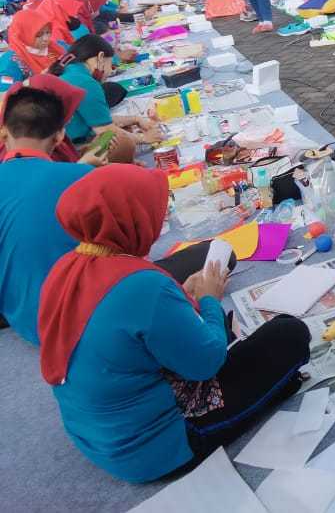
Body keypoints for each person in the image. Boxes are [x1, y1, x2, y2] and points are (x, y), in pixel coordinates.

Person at [38, 164, 311, 483]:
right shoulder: (145, 287)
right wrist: (209, 299)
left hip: (94, 435)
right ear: (136, 220)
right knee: (289, 334)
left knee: (219, 328)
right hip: (155, 446)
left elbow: (125, 327)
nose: (162, 218)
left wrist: (181, 295)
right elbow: (207, 362)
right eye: (157, 211)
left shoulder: (67, 266)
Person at [0, 82, 102, 344]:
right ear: (59, 136)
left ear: (4, 132)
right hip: (91, 320)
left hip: (25, 321)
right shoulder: (82, 177)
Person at [48, 35, 161, 159]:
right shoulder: (86, 82)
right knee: (123, 144)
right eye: (110, 65)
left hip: (58, 148)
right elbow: (105, 129)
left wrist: (135, 119)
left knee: (125, 133)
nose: (110, 71)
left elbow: (99, 119)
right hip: (68, 151)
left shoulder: (70, 70)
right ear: (101, 57)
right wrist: (144, 138)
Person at [2, 9, 60, 87]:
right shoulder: (11, 62)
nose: (46, 39)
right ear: (23, 35)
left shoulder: (54, 47)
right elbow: (4, 91)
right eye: (38, 35)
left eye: (48, 32)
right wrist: (32, 82)